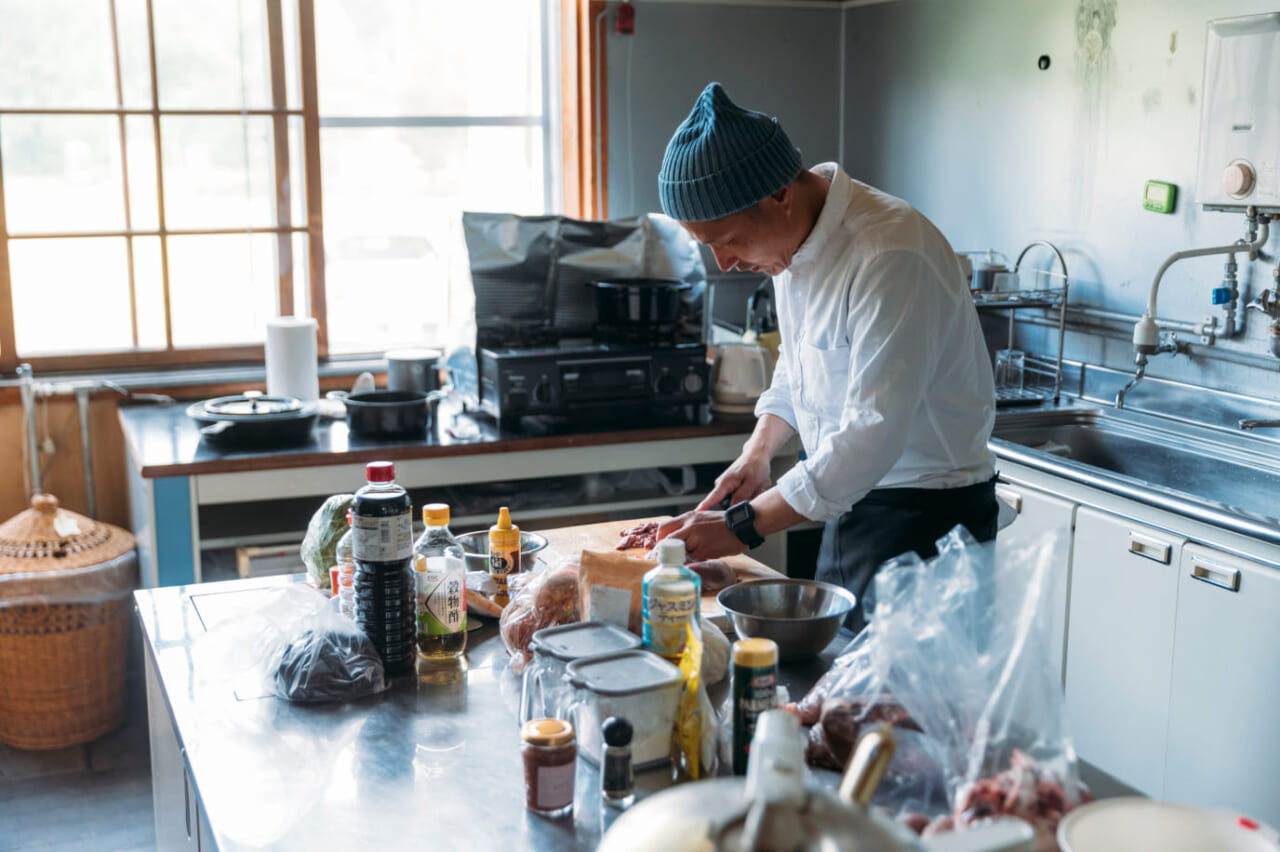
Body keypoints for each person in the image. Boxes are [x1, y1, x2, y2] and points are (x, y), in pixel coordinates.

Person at [655, 82, 998, 630]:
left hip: (927, 525)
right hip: (847, 502)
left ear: (779, 197)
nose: (723, 262)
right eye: (708, 246)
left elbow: (871, 433)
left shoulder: (890, 254)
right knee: (835, 696)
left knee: (907, 712)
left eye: (730, 240)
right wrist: (758, 455)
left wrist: (742, 525)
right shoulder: (793, 245)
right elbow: (801, 364)